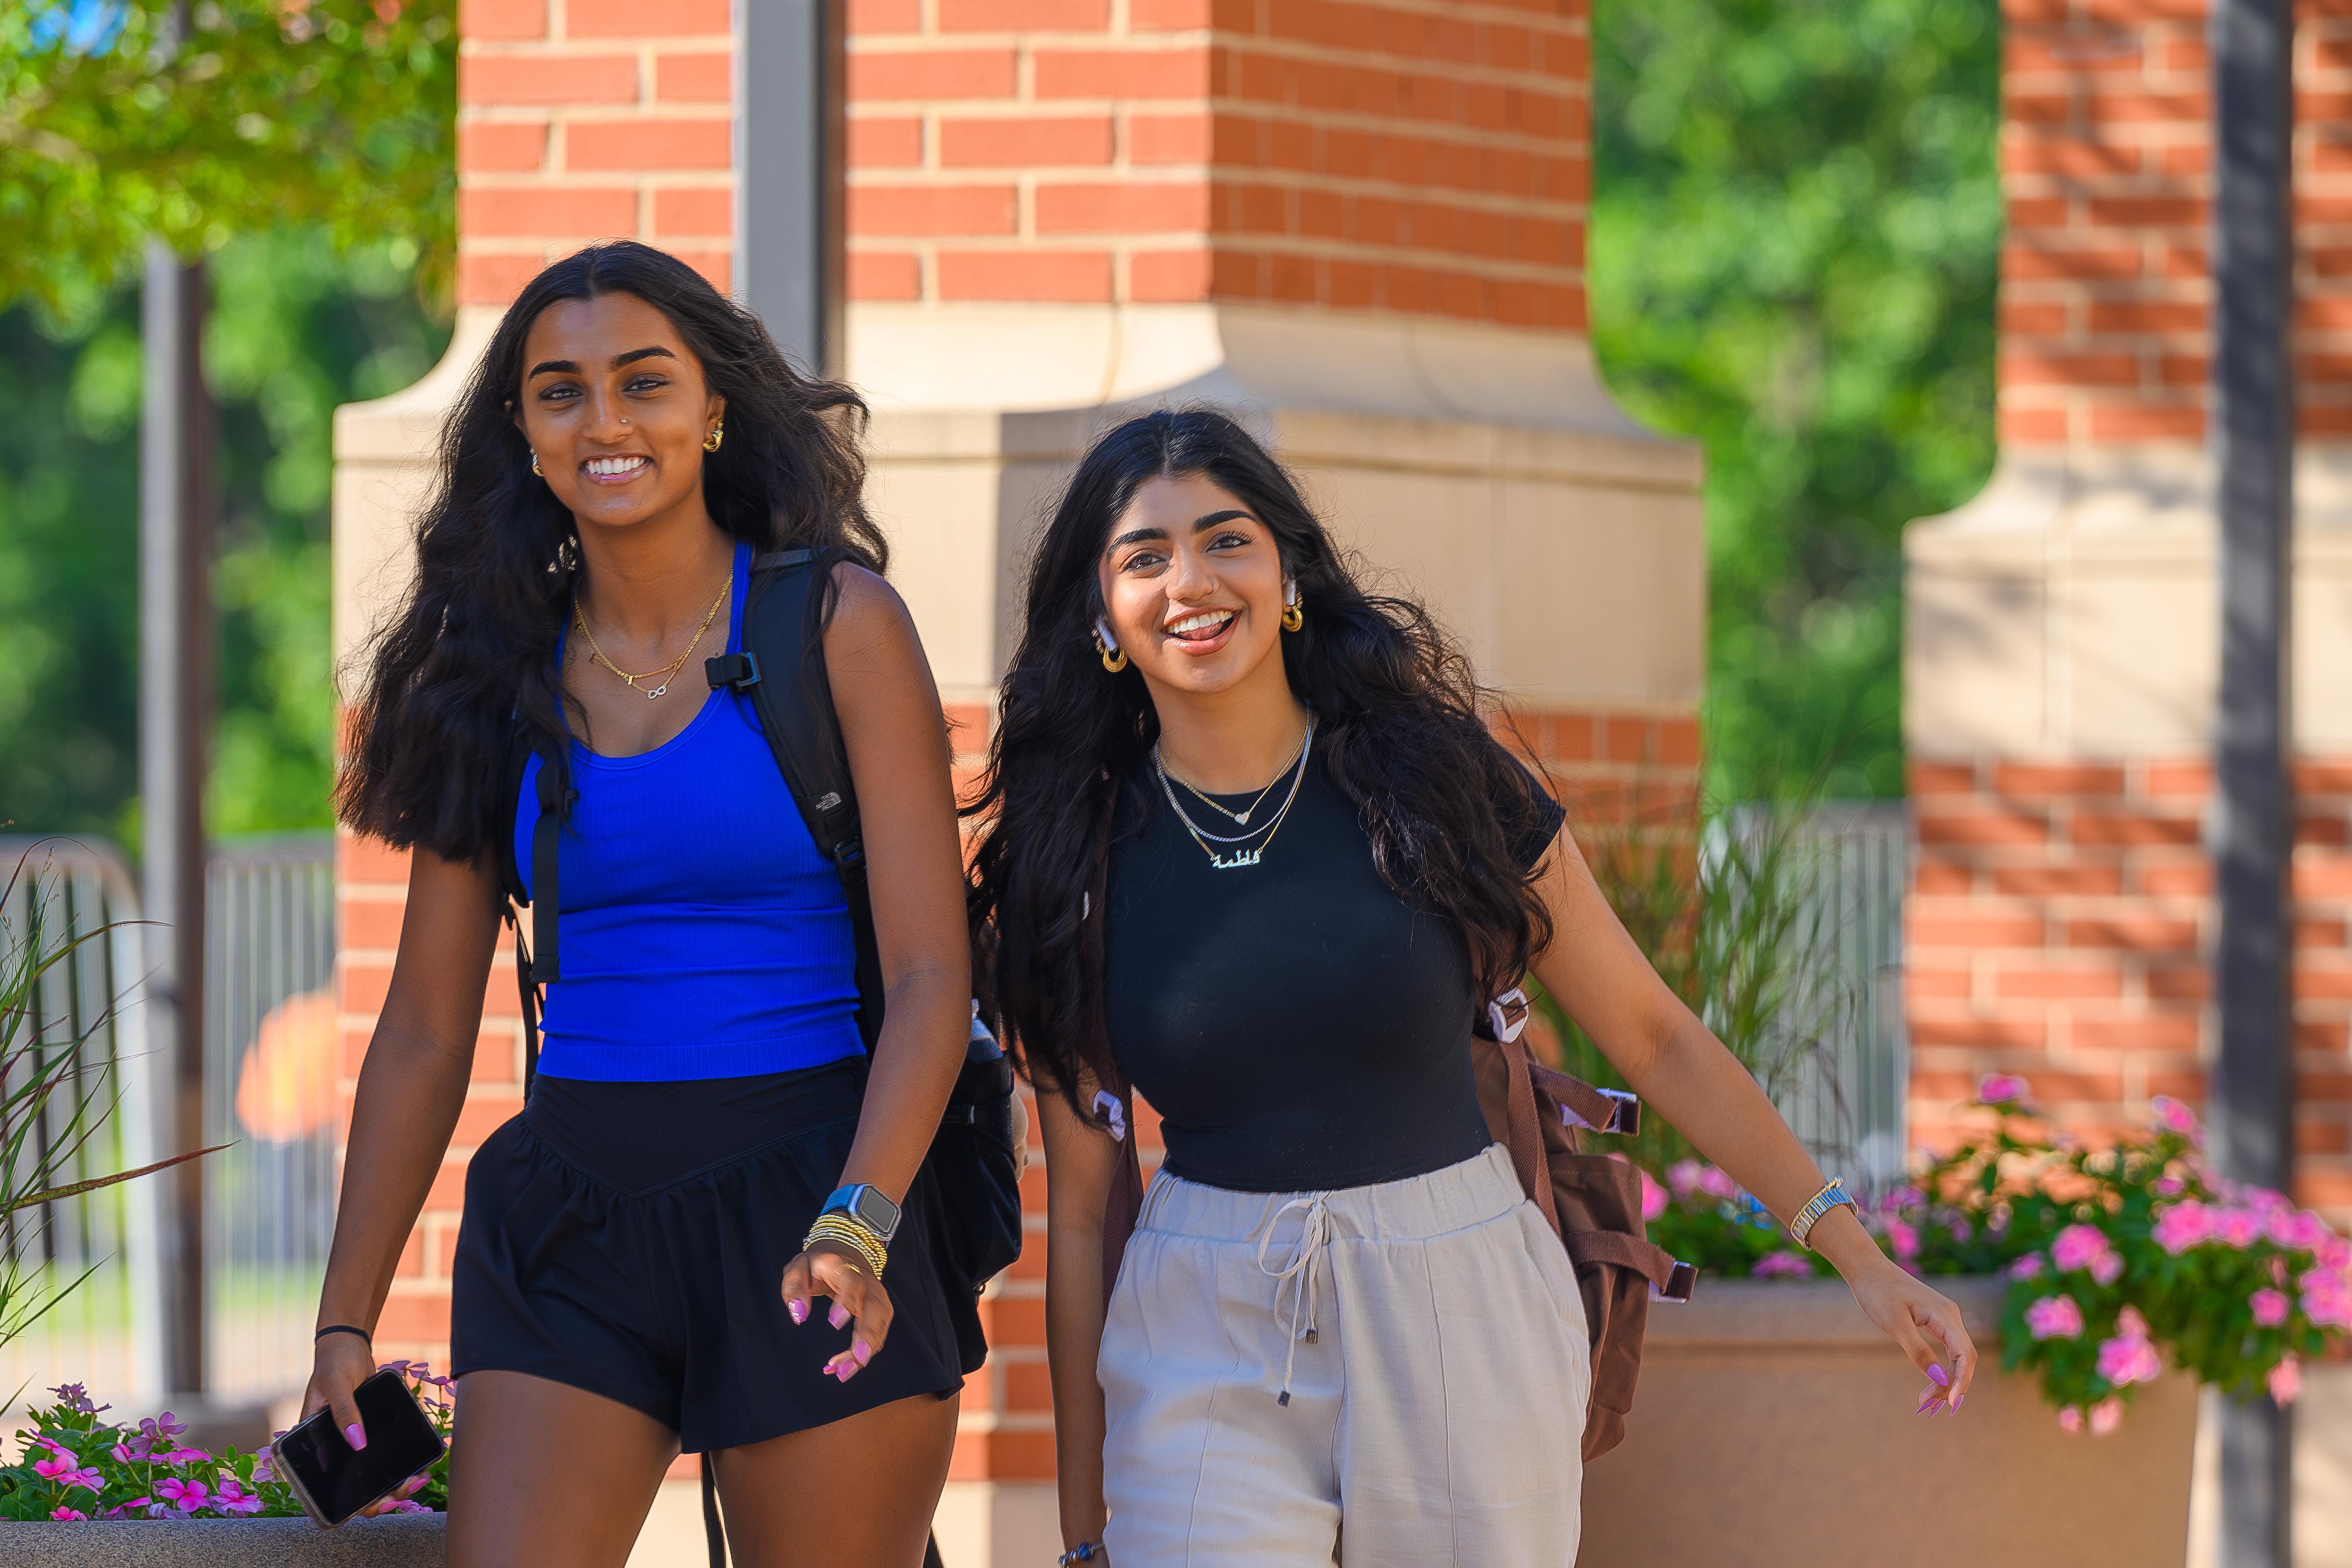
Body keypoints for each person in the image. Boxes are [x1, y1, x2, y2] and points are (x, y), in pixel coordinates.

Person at [964, 409, 1979, 1567]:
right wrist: (1085, 1530)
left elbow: (1652, 1035)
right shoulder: (1072, 854)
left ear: (1288, 570)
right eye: (1145, 556)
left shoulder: (1433, 780)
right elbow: (1087, 1212)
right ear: (1102, 615)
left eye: (1225, 539)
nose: (1190, 580)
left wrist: (1857, 1252)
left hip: (1457, 1294)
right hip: (1202, 1309)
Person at [317, 240, 973, 1568]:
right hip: (572, 1213)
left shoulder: (837, 624)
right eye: (561, 392)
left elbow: (929, 978)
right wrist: (345, 1324)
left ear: (713, 407)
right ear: (524, 426)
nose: (606, 422)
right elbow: (427, 1027)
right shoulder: (489, 671)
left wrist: (864, 1214)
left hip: (816, 1191)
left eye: (644, 383)